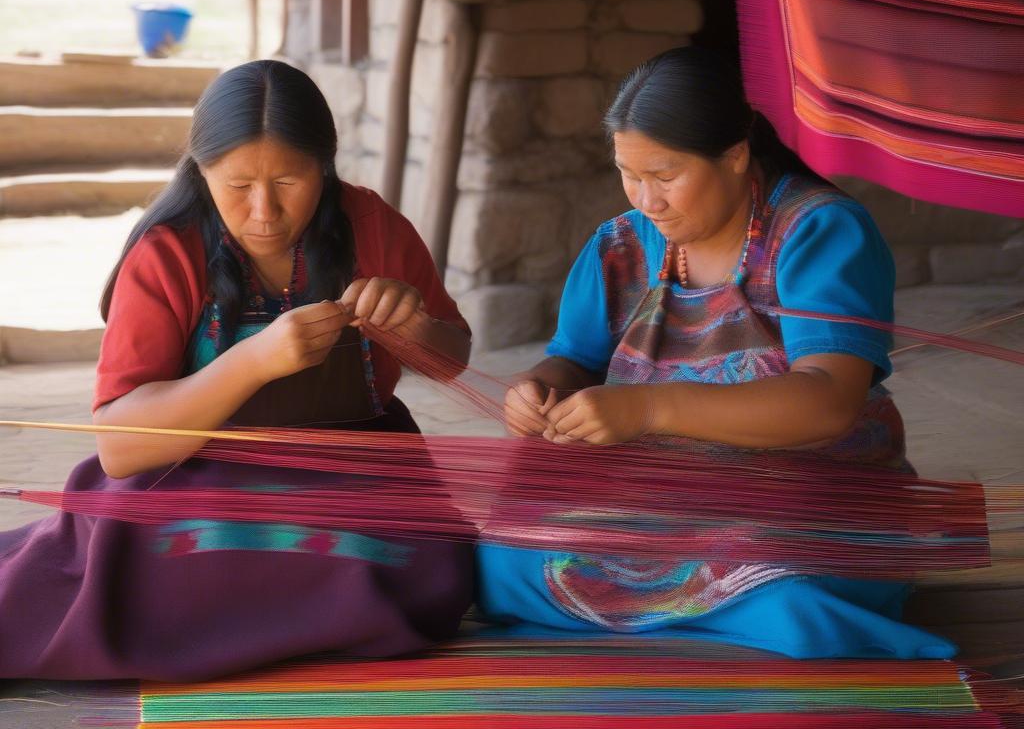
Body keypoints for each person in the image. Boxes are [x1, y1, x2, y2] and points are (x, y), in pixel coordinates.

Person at [0, 60, 474, 681]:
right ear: (201, 171)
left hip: (354, 467)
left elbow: (452, 357)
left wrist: (412, 329)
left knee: (433, 564)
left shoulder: (374, 227)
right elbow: (118, 447)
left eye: (288, 182)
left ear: (324, 168)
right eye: (237, 185)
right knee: (155, 555)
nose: (264, 212)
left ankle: (254, 617)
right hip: (198, 471)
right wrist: (250, 363)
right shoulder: (168, 252)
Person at [480, 46, 955, 660]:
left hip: (807, 497)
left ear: (735, 156)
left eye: (667, 175)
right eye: (630, 174)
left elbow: (831, 401)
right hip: (663, 499)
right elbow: (574, 359)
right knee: (502, 559)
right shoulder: (623, 245)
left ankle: (737, 612)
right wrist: (538, 389)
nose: (647, 200)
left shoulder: (818, 231)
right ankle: (737, 620)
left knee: (784, 581)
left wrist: (649, 411)